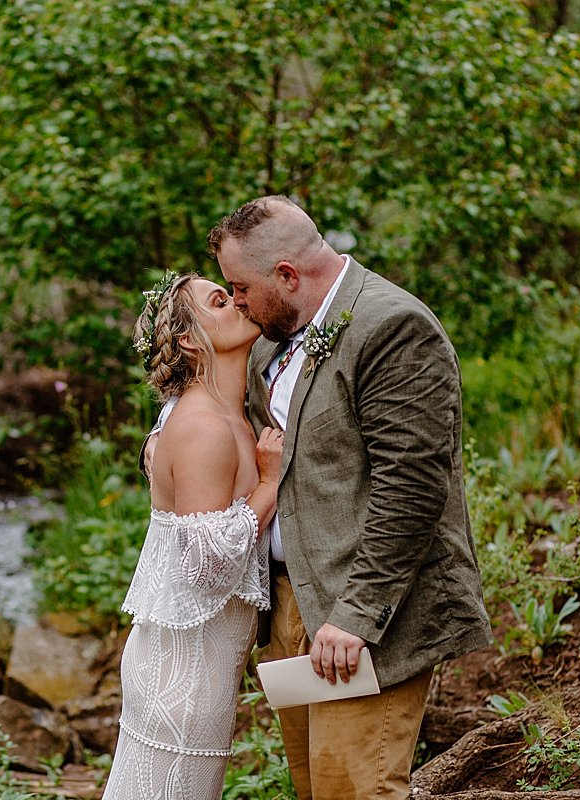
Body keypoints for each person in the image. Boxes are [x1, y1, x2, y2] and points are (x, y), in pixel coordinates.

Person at [206, 195, 492, 800]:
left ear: (286, 275)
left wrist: (356, 615)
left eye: (239, 287)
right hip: (289, 606)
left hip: (357, 621)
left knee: (354, 791)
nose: (234, 301)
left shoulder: (393, 328)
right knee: (315, 790)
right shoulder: (271, 335)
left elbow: (412, 488)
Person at [103, 271, 285, 800]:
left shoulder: (227, 415)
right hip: (181, 676)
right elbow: (205, 566)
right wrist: (270, 483)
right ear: (189, 339)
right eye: (220, 301)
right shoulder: (204, 425)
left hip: (199, 667)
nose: (239, 303)